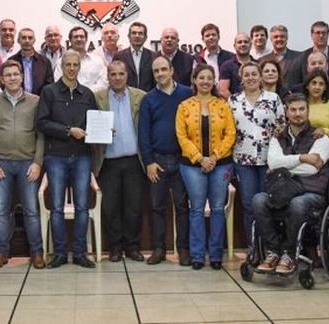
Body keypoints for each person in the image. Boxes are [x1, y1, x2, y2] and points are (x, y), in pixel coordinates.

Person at [253, 93, 329, 274]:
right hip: (282, 191)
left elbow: (312, 169)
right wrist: (302, 158)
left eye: (302, 109)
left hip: (311, 192)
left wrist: (284, 166)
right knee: (258, 200)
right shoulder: (278, 137)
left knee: (297, 204)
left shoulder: (320, 137)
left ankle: (288, 253)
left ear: (308, 111)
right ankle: (273, 251)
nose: (298, 113)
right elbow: (273, 163)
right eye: (293, 110)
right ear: (286, 113)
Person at [36, 50, 99, 269]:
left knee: (82, 206)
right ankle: (60, 253)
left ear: (80, 67)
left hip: (82, 156)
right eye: (68, 65)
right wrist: (68, 131)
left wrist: (103, 131)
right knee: (56, 207)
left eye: (75, 65)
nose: (72, 68)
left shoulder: (87, 94)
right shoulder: (49, 92)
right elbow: (41, 123)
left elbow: (95, 122)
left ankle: (80, 253)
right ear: (61, 67)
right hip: (56, 156)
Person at [0, 60, 45, 269]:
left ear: (22, 76)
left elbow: (41, 135)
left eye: (15, 74)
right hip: (2, 163)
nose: (12, 78)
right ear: (1, 79)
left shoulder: (35, 101)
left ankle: (37, 253)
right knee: (1, 210)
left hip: (28, 163)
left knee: (31, 210)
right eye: (7, 75)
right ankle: (2, 253)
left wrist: (37, 163)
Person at [176, 64, 236, 270]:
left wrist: (214, 157)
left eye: (209, 78)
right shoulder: (184, 106)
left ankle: (216, 255)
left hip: (221, 164)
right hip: (192, 165)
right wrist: (200, 158)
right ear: (194, 80)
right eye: (201, 78)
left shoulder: (223, 105)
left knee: (218, 208)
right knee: (196, 209)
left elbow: (230, 134)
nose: (205, 81)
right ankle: (198, 256)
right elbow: (182, 136)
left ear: (214, 81)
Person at [139, 56, 193, 266]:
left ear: (172, 71)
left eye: (163, 69)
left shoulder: (187, 94)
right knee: (157, 207)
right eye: (156, 71)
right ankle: (159, 249)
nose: (160, 74)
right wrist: (149, 162)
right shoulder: (149, 99)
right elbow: (143, 133)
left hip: (183, 160)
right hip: (158, 161)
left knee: (182, 206)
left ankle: (183, 249)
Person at [94, 61, 146, 263]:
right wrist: (99, 131)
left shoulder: (139, 96)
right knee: (111, 207)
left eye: (121, 74)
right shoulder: (98, 97)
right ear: (107, 76)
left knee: (134, 206)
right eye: (113, 74)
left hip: (134, 160)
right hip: (108, 161)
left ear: (127, 75)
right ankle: (115, 248)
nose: (117, 78)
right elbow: (90, 125)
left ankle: (133, 247)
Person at [229, 62, 285, 248]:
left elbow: (282, 126)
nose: (251, 77)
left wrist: (278, 132)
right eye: (247, 74)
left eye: (254, 74)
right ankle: (253, 248)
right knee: (249, 205)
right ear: (241, 78)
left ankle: (270, 248)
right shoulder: (233, 100)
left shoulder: (273, 98)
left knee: (268, 204)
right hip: (243, 160)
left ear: (261, 77)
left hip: (269, 160)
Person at [303, 69, 329, 179]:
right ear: (307, 86)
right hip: (306, 158)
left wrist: (324, 131)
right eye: (314, 83)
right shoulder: (301, 106)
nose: (317, 87)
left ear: (325, 87)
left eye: (321, 84)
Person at [53, 26, 107, 93]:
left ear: (86, 39)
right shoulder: (61, 61)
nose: (79, 39)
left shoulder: (97, 61)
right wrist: (75, 93)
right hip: (68, 97)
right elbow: (58, 81)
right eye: (76, 37)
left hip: (94, 97)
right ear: (70, 40)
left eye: (82, 36)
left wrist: (88, 93)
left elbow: (104, 82)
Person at [9, 27, 53, 95]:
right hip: (17, 99)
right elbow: (7, 82)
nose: (27, 41)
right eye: (24, 38)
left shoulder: (45, 62)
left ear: (34, 40)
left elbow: (49, 85)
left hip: (39, 99)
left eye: (30, 38)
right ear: (18, 40)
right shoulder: (11, 61)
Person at [113, 21, 154, 91]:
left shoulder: (153, 56)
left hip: (148, 96)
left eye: (140, 33)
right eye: (134, 33)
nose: (137, 36)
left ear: (145, 37)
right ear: (129, 36)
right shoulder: (119, 56)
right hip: (126, 96)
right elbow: (114, 79)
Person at [218, 32, 254, 98]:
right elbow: (223, 90)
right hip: (234, 103)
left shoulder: (258, 64)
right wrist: (237, 103)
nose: (243, 44)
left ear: (251, 45)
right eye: (239, 42)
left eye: (246, 42)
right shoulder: (226, 66)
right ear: (234, 46)